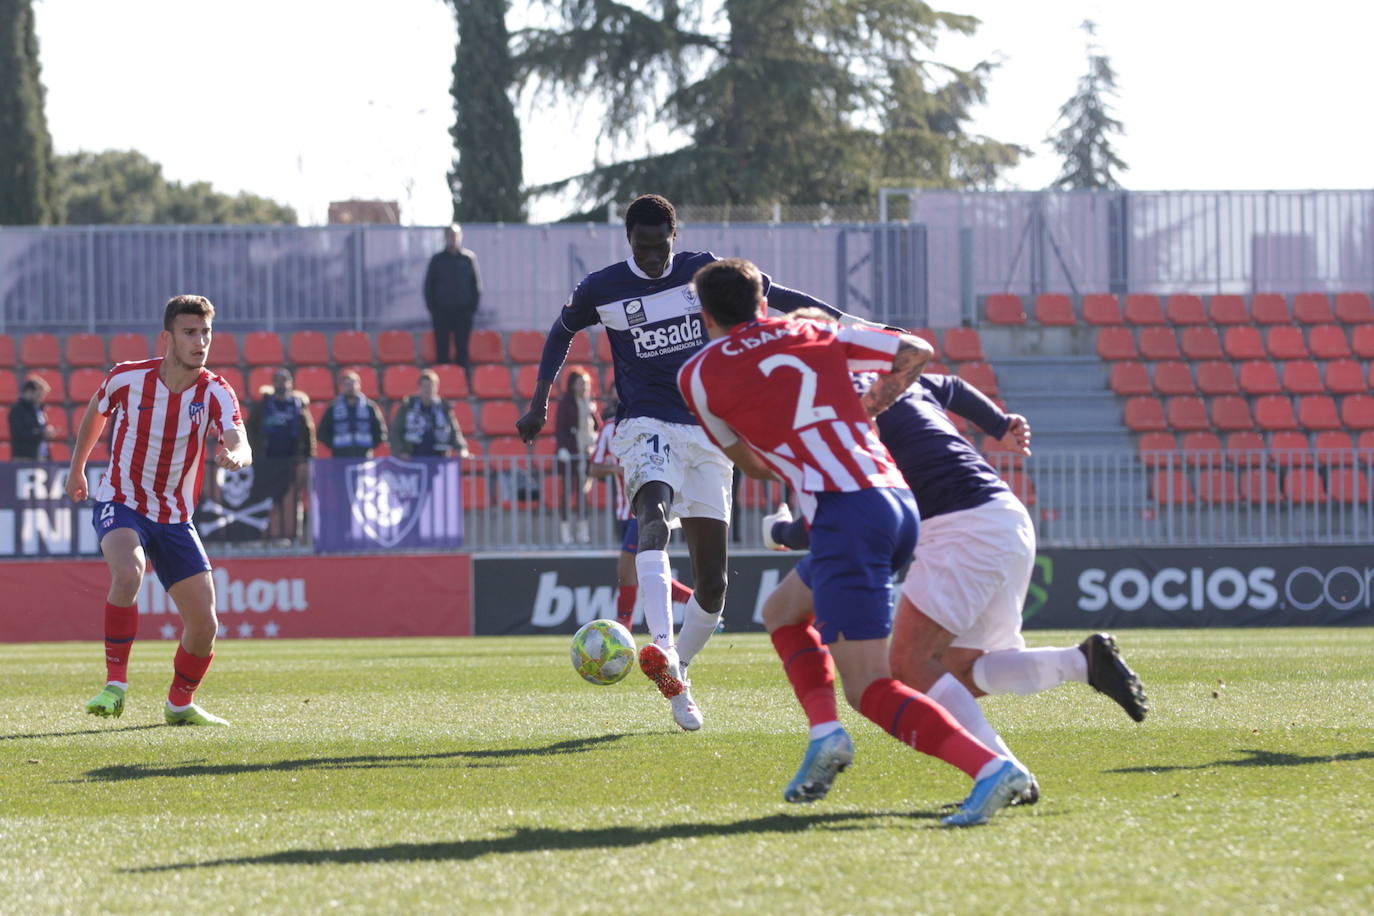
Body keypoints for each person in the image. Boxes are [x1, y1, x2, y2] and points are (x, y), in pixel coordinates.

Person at [679, 258, 1031, 827]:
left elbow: (744, 459)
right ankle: (825, 735)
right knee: (783, 612)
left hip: (845, 514)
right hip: (895, 499)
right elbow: (916, 351)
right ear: (762, 304)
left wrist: (789, 458)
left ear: (706, 315)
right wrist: (870, 405)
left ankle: (992, 768)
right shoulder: (809, 328)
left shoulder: (696, 372)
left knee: (871, 687)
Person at [515, 194, 860, 731]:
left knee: (714, 585)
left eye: (660, 247)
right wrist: (538, 403)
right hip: (643, 423)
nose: (652, 258)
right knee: (652, 516)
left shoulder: (703, 272)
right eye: (642, 247)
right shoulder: (602, 288)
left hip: (707, 428)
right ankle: (660, 644)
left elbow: (779, 295)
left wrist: (854, 327)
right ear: (628, 240)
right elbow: (561, 332)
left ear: (674, 237)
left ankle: (677, 673)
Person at [763, 353, 1149, 803]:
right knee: (961, 668)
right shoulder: (893, 380)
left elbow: (840, 510)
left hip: (960, 529)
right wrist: (1000, 423)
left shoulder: (838, 410)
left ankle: (1005, 773)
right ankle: (1082, 663)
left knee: (910, 664)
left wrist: (781, 532)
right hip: (1004, 517)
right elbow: (953, 388)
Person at [66, 294, 251, 727]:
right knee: (128, 572)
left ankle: (179, 704)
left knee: (205, 626)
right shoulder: (128, 378)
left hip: (174, 516)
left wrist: (237, 456)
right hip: (122, 500)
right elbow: (98, 410)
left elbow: (239, 438)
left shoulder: (216, 391)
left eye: (206, 332)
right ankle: (115, 685)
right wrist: (77, 469)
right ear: (166, 337)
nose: (200, 341)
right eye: (190, 332)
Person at [588, 393, 694, 630]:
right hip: (623, 512)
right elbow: (594, 468)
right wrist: (617, 467)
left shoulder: (655, 424)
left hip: (644, 510)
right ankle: (695, 602)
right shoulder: (608, 430)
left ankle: (622, 627)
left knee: (626, 571)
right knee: (641, 574)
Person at [244, 368, 316, 541]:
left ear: (290, 383)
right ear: (273, 383)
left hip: (291, 461)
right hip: (267, 462)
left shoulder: (298, 406)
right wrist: (254, 452)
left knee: (292, 498)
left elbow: (308, 433)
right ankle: (263, 536)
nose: (281, 384)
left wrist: (307, 458)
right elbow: (249, 429)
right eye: (278, 380)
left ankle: (293, 535)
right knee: (265, 499)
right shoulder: (263, 406)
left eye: (285, 380)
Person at [423, 223, 482, 384]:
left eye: (455, 235)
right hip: (441, 313)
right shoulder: (437, 260)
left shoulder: (468, 258)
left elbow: (475, 286)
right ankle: (443, 383)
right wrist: (433, 309)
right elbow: (429, 286)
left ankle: (463, 383)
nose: (453, 239)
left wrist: (471, 310)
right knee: (442, 349)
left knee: (462, 349)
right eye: (450, 235)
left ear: (460, 237)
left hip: (463, 314)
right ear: (445, 238)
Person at [554, 367, 599, 544]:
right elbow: (561, 428)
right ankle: (565, 531)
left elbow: (597, 426)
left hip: (586, 454)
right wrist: (563, 448)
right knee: (567, 491)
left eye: (587, 384)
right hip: (570, 454)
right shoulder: (566, 404)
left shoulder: (589, 403)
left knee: (582, 494)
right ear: (572, 385)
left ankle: (583, 530)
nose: (585, 387)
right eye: (581, 384)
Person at [392, 368, 471, 459]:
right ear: (419, 387)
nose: (428, 390)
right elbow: (396, 430)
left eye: (431, 386)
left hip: (438, 457)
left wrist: (461, 448)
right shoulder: (408, 405)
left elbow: (454, 431)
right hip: (412, 457)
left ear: (437, 387)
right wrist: (400, 451)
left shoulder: (443, 407)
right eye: (425, 386)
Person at [317, 370, 387, 458]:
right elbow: (322, 432)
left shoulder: (369, 407)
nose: (350, 387)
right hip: (340, 457)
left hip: (364, 456)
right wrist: (334, 446)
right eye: (347, 384)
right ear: (341, 387)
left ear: (359, 385)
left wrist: (369, 446)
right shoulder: (333, 408)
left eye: (353, 383)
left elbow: (380, 431)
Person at [8, 376, 58, 460]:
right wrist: (41, 433)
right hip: (24, 457)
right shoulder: (17, 410)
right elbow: (18, 434)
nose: (41, 399)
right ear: (29, 392)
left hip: (41, 456)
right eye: (39, 395)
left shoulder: (38, 410)